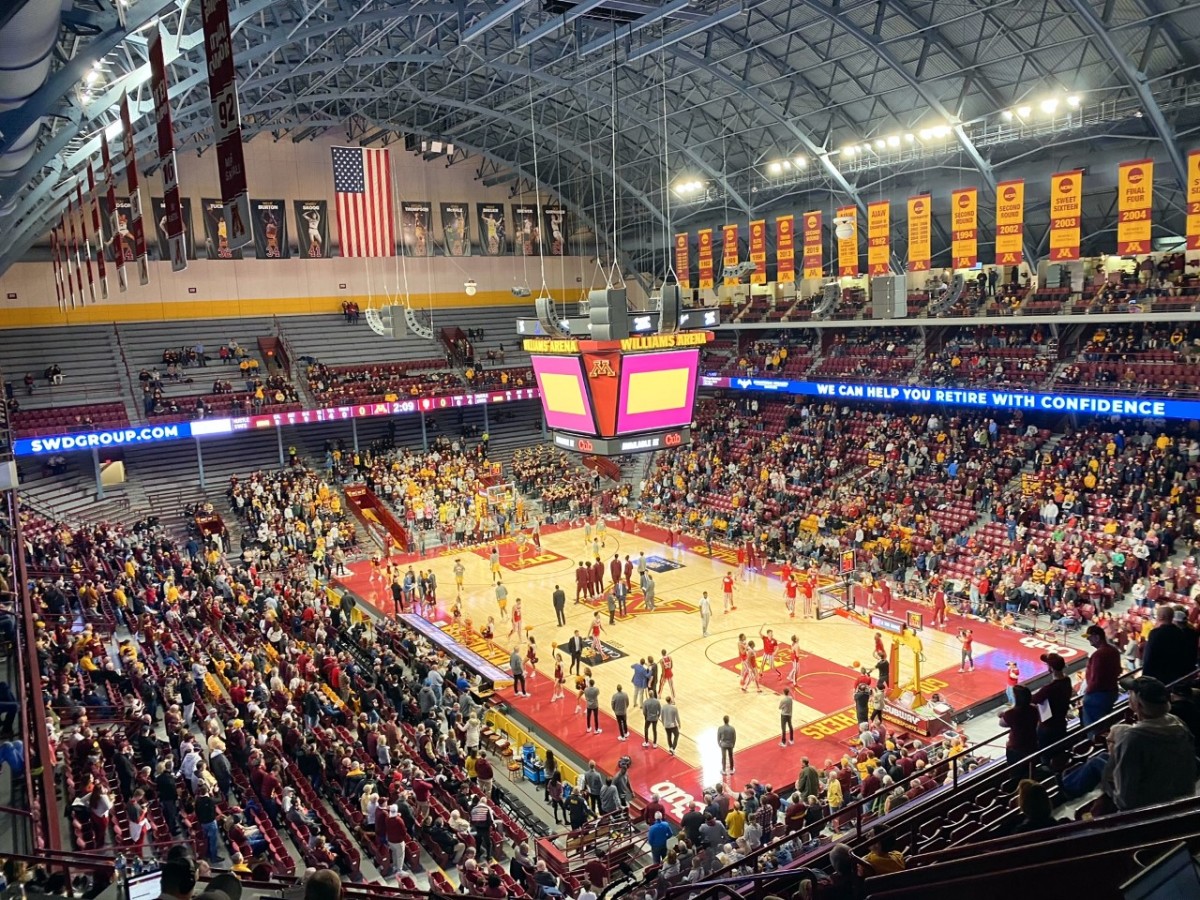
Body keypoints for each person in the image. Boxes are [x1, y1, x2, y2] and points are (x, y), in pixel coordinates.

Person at [1031, 652, 1072, 755]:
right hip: (1061, 723)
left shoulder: (1049, 689)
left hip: (1048, 726)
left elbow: (1033, 699)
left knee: (1046, 754)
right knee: (1059, 751)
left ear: (1051, 668)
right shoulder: (1067, 681)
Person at [1081, 624, 1121, 731]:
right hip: (1111, 692)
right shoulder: (1114, 650)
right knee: (1105, 724)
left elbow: (1095, 679)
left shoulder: (1098, 655)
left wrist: (1087, 694)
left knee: (1094, 729)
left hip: (1097, 696)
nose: (1088, 640)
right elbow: (1118, 670)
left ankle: (1096, 744)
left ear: (1097, 637)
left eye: (1090, 637)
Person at [999, 684, 1039, 766]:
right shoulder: (1034, 709)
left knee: (1016, 769)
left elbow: (1002, 723)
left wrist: (1004, 714)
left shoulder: (1011, 713)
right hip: (1032, 743)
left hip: (1017, 747)